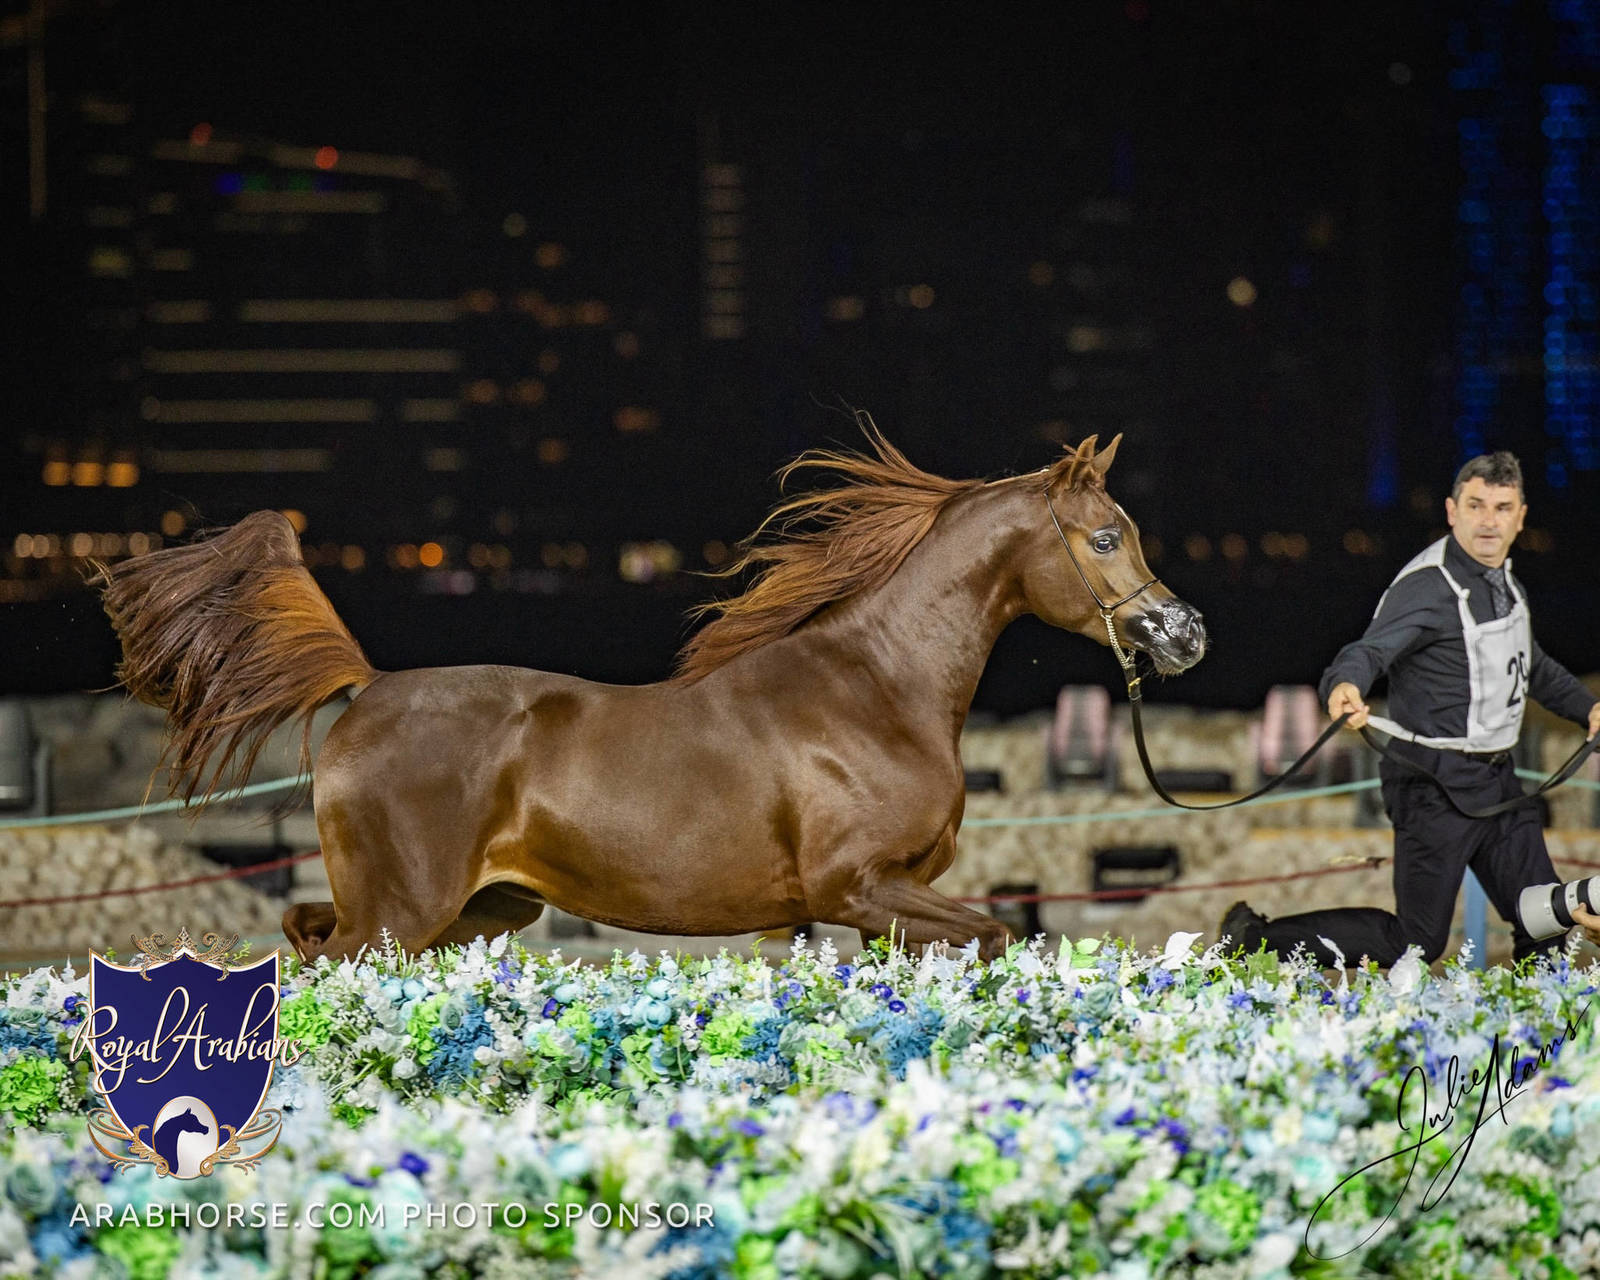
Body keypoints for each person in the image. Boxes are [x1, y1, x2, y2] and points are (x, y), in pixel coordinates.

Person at [1220, 452, 1600, 968]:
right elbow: (1367, 651)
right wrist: (1344, 685)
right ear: (1451, 510)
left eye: (1502, 507)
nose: (1488, 520)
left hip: (1498, 780)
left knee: (1544, 920)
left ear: (1520, 516)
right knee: (1416, 944)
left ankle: (1539, 1034)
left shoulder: (1505, 582)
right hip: (1432, 783)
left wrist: (1589, 708)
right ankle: (1254, 939)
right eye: (1476, 505)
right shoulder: (1426, 587)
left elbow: (1532, 667)